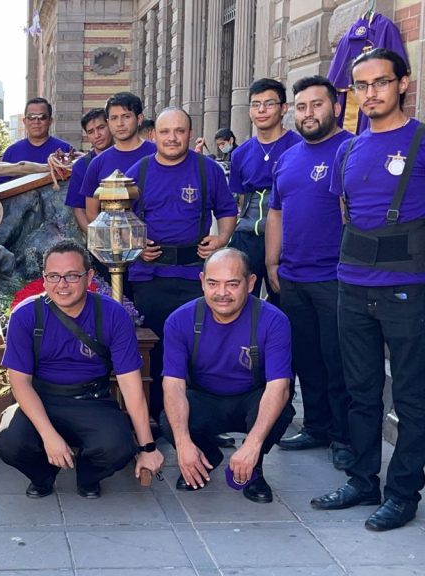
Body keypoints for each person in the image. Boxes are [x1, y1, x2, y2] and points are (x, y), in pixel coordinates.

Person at [311, 48, 425, 532]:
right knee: (360, 392)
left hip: (407, 290)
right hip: (352, 287)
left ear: (403, 82)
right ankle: (362, 479)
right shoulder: (349, 147)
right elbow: (346, 212)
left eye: (381, 82)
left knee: (413, 398)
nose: (371, 93)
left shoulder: (420, 141)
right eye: (362, 86)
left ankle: (403, 493)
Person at [0, 240, 163, 498]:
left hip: (92, 400)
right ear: (44, 278)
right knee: (9, 441)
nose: (62, 285)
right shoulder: (26, 315)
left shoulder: (112, 315)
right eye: (53, 276)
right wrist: (49, 435)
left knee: (117, 447)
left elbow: (131, 387)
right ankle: (43, 475)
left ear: (89, 276)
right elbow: (20, 383)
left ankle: (88, 475)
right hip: (42, 399)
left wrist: (147, 448)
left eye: (72, 276)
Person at [124, 108, 238, 425]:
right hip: (152, 276)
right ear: (154, 135)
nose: (172, 138)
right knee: (157, 349)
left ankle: (203, 421)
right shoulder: (139, 171)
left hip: (196, 277)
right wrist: (136, 247)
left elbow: (227, 210)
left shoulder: (208, 170)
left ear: (189, 133)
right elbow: (118, 217)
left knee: (201, 349)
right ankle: (158, 416)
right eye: (165, 132)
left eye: (179, 131)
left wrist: (223, 238)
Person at [265, 76, 354, 469]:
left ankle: (344, 435)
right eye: (301, 107)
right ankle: (316, 425)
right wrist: (271, 261)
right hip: (293, 276)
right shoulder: (288, 157)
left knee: (340, 360)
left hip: (336, 276)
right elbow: (276, 212)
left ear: (334, 106)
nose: (308, 113)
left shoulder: (351, 149)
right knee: (306, 357)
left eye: (316, 105)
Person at [160, 248, 294, 503]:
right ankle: (203, 458)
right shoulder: (180, 320)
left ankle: (253, 468)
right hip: (204, 396)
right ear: (202, 282)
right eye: (213, 284)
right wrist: (183, 443)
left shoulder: (274, 321)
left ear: (251, 283)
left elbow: (280, 386)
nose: (221, 293)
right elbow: (173, 385)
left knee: (279, 410)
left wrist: (252, 445)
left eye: (232, 284)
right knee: (170, 417)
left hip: (251, 396)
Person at [228, 79, 302, 305]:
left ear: (283, 108)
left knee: (284, 302)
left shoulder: (298, 147)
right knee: (238, 300)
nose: (261, 110)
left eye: (269, 104)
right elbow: (239, 200)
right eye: (255, 104)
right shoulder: (240, 154)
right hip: (247, 238)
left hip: (287, 239)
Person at [66, 92, 157, 231]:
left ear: (139, 119)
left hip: (161, 242)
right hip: (117, 247)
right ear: (109, 122)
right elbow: (90, 212)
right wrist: (116, 240)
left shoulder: (158, 154)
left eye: (126, 117)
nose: (120, 124)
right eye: (114, 118)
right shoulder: (97, 163)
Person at [0, 97, 73, 185]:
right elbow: (0, 187)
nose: (36, 121)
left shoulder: (65, 149)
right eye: (31, 117)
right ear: (24, 121)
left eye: (42, 117)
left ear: (50, 121)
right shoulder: (11, 152)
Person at [64, 108, 113, 232]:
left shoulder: (128, 156)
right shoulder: (82, 165)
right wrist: (96, 238)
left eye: (101, 127)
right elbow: (79, 209)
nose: (97, 135)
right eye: (91, 131)